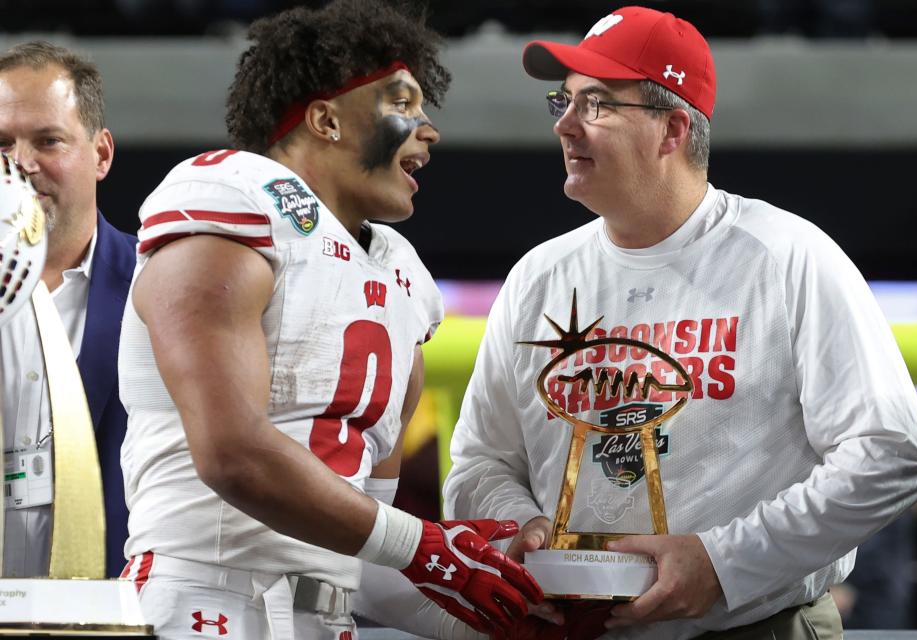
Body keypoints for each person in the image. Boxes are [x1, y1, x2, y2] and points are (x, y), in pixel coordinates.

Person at [442, 5, 917, 639]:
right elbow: (480, 465)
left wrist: (723, 564)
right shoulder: (538, 277)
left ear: (671, 129)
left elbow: (891, 456)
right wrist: (520, 531)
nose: (565, 125)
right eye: (561, 102)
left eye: (595, 104)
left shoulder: (787, 257)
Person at [116, 2, 541, 639]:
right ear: (325, 119)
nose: (429, 131)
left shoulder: (403, 278)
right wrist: (425, 546)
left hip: (329, 621)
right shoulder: (234, 198)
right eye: (403, 103)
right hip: (203, 602)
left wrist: (504, 614)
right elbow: (234, 455)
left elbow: (365, 543)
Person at [0, 41, 135, 578]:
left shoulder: (163, 291)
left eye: (48, 140)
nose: (20, 165)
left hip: (114, 607)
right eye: (1, 143)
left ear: (101, 155)